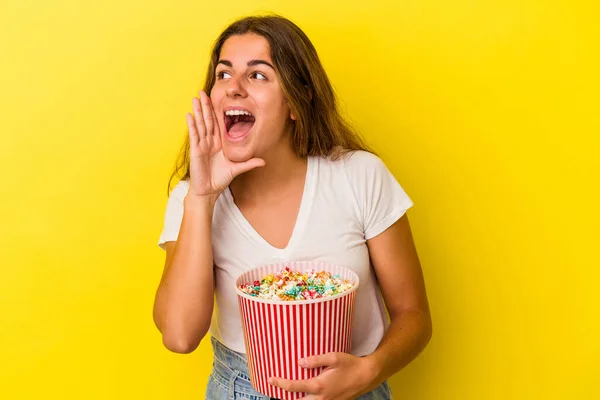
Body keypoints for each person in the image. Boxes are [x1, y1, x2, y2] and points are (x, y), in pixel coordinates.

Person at [153, 14, 432, 400]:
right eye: (223, 74)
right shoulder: (192, 197)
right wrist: (201, 199)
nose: (233, 88)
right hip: (240, 388)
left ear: (296, 104)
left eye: (258, 75)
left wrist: (368, 371)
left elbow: (414, 316)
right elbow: (180, 336)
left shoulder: (359, 176)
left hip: (356, 389)